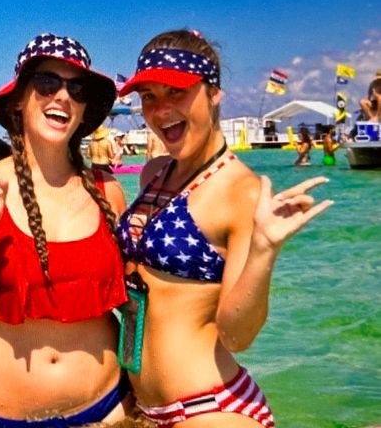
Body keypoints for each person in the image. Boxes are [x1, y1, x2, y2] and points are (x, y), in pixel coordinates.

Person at [115, 29, 332, 428]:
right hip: (143, 409)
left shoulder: (241, 192)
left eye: (176, 92)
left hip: (210, 407)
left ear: (214, 93)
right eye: (149, 97)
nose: (160, 110)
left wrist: (264, 250)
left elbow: (238, 336)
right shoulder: (153, 173)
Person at [0, 33, 136, 427]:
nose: (63, 96)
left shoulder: (108, 191)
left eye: (77, 89)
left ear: (83, 109)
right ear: (19, 100)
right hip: (2, 418)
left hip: (109, 409)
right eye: (47, 82)